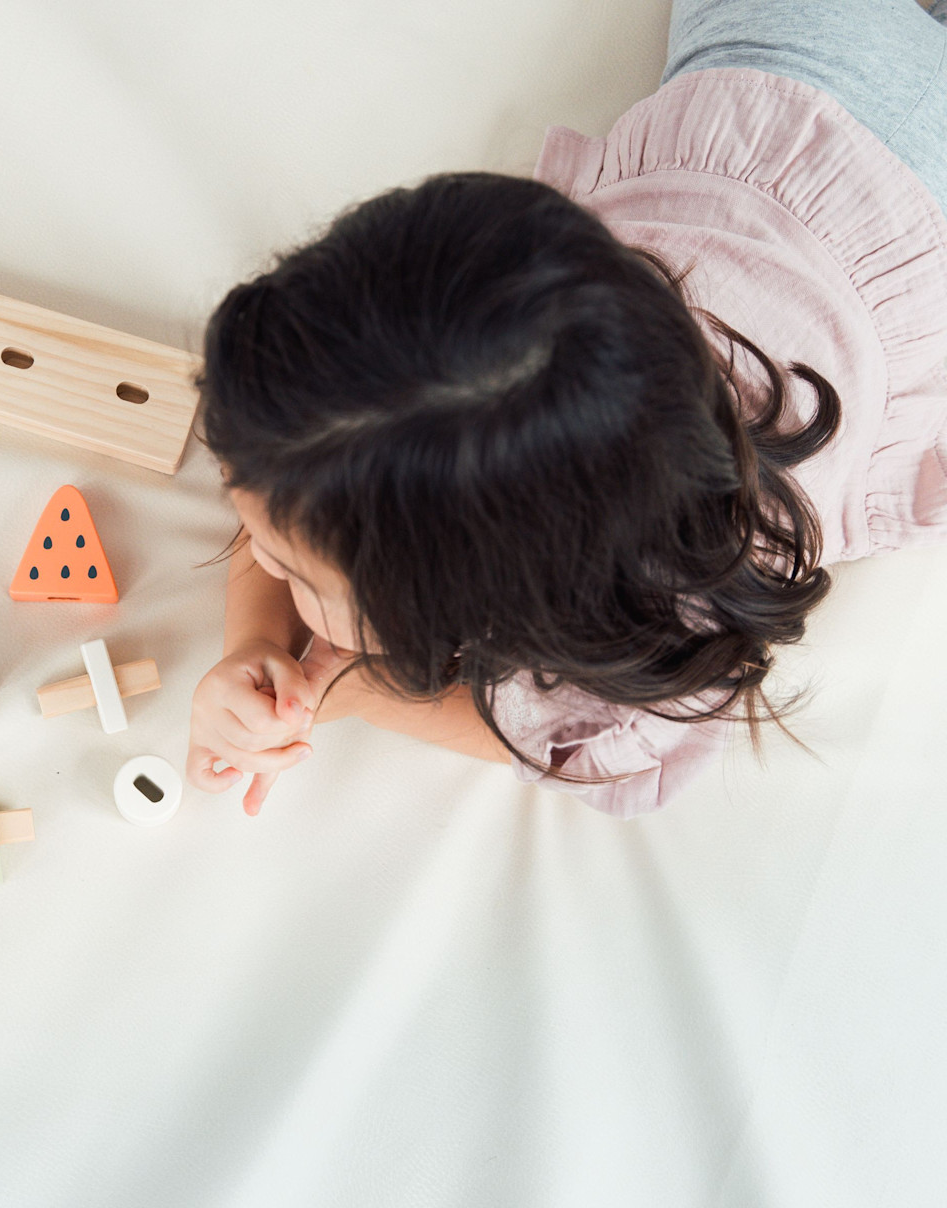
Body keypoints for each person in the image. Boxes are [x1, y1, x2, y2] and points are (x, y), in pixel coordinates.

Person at [186, 0, 947, 818]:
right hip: (797, 58)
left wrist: (349, 693)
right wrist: (258, 642)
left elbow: (579, 756)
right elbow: (295, 491)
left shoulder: (663, 630)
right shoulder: (464, 404)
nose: (256, 563)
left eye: (286, 569)